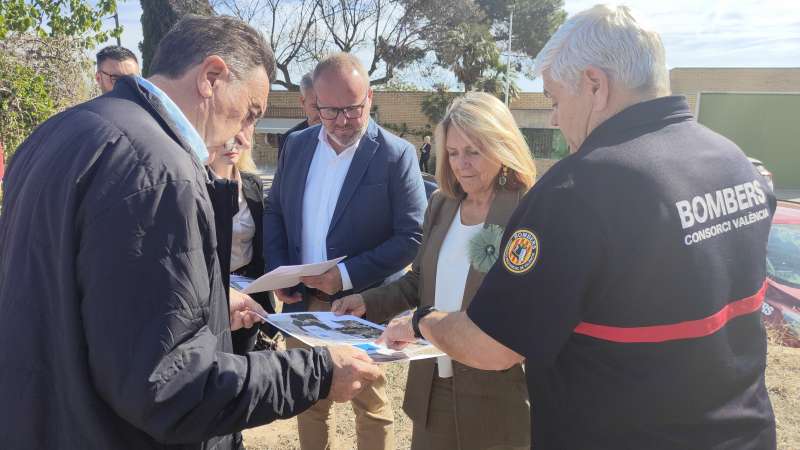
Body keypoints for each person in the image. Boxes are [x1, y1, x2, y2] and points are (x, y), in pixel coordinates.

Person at [379, 5, 777, 450]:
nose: (553, 117)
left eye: (553, 98)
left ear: (595, 85)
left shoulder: (576, 191)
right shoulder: (734, 163)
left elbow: (494, 346)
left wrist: (425, 322)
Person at [0, 15, 380, 450]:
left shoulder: (62, 130)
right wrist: (319, 372)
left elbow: (107, 305)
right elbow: (170, 387)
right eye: (250, 111)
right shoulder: (163, 172)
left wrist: (212, 306)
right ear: (211, 77)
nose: (244, 132)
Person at [333, 92, 536, 450]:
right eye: (454, 153)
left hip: (496, 392)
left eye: (473, 151)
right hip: (432, 384)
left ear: (500, 145)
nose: (462, 164)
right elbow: (419, 282)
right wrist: (365, 301)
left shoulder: (525, 211)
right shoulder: (441, 205)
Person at [264, 52, 427, 450]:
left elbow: (413, 236)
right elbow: (275, 209)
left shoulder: (394, 155)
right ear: (314, 103)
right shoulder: (296, 146)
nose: (341, 121)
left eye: (352, 109)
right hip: (303, 303)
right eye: (330, 110)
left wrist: (346, 275)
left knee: (369, 404)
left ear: (369, 98)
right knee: (307, 399)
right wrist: (280, 270)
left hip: (361, 306)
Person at [205, 125, 278, 352]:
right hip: (212, 295)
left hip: (249, 296)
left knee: (244, 363)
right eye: (226, 134)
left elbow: (260, 246)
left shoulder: (252, 183)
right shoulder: (195, 185)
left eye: (241, 134)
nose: (232, 143)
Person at [277, 71, 321, 157]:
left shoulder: (338, 136)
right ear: (302, 102)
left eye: (325, 105)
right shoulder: (289, 141)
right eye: (315, 106)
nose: (321, 112)